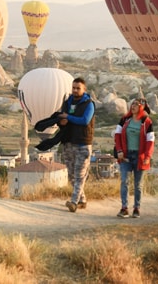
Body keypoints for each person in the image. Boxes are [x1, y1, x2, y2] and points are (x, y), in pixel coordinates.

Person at [113, 98, 155, 218]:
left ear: (142, 107)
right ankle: (124, 208)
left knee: (138, 184)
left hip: (139, 156)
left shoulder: (147, 122)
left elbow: (150, 141)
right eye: (132, 104)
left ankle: (136, 208)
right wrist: (119, 150)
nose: (133, 106)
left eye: (137, 104)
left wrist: (147, 156)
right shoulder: (124, 120)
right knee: (124, 181)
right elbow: (117, 135)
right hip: (126, 156)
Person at [59, 77, 96, 213]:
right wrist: (61, 120)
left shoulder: (89, 104)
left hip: (83, 143)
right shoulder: (67, 102)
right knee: (71, 174)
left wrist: (68, 117)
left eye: (78, 88)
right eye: (73, 88)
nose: (75, 90)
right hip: (69, 142)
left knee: (80, 174)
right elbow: (61, 118)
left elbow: (85, 120)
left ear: (84, 89)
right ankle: (82, 199)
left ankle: (73, 202)